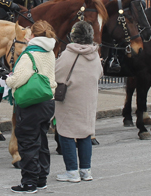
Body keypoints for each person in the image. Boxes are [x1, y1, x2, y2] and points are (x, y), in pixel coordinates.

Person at [5, 20, 57, 194]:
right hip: (47, 101)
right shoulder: (49, 52)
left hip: (31, 104)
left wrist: (7, 79)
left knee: (27, 143)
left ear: (33, 36)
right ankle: (41, 179)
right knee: (41, 141)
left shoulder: (30, 55)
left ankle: (29, 183)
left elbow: (18, 79)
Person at [54, 21, 103, 183]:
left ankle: (72, 171)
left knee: (66, 133)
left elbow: (57, 75)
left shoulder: (68, 54)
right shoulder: (95, 54)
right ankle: (85, 171)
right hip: (89, 99)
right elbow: (99, 74)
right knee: (86, 134)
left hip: (69, 100)